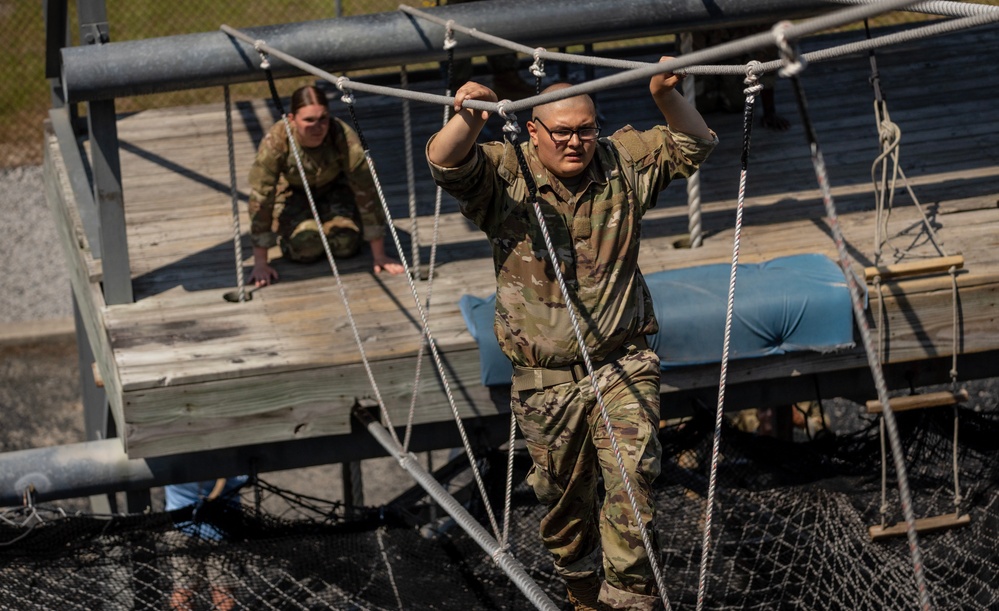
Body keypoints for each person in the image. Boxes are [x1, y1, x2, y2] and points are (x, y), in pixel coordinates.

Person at [426, 59, 717, 610]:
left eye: (585, 129)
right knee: (564, 506)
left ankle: (630, 600)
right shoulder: (506, 173)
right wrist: (470, 114)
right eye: (561, 132)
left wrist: (663, 94)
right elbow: (445, 161)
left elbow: (694, 142)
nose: (575, 142)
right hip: (545, 382)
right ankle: (582, 593)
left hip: (621, 364)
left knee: (633, 482)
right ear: (533, 132)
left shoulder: (621, 163)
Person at [247, 85, 405, 286]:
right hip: (292, 195)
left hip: (333, 192)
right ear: (291, 119)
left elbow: (366, 190)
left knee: (345, 244)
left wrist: (379, 255)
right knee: (306, 247)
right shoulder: (277, 141)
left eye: (323, 119)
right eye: (308, 120)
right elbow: (261, 198)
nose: (317, 127)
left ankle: (331, 223)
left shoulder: (342, 136)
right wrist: (261, 263)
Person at [164, 476, 248, 611]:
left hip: (181, 524)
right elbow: (242, 479)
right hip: (221, 527)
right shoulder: (225, 457)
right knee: (223, 591)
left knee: (183, 589)